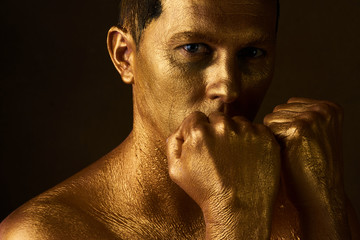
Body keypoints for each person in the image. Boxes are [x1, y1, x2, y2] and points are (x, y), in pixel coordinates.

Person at [0, 0, 359, 239]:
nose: (229, 87)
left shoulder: (305, 203)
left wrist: (325, 210)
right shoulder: (43, 234)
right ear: (125, 56)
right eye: (193, 49)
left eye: (252, 53)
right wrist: (233, 218)